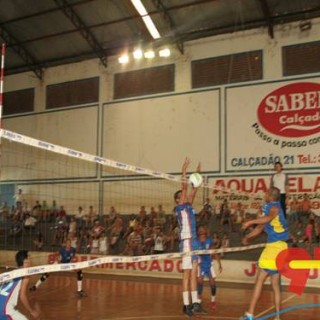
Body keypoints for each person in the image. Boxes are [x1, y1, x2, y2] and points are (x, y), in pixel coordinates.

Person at [240, 187, 288, 320]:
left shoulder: (273, 207)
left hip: (274, 248)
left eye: (266, 193)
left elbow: (267, 218)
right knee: (275, 283)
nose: (264, 194)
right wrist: (248, 236)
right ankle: (278, 317)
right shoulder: (271, 208)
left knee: (259, 280)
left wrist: (250, 221)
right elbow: (261, 227)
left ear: (270, 195)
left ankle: (249, 314)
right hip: (281, 247)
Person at [174, 157, 206, 317]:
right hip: (186, 242)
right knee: (186, 274)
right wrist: (184, 171)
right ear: (177, 200)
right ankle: (186, 305)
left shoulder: (189, 205)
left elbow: (194, 189)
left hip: (194, 242)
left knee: (194, 273)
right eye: (181, 195)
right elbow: (185, 186)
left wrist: (198, 174)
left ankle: (195, 304)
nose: (184, 195)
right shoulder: (179, 208)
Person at [0, 250, 40, 319]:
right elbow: (22, 296)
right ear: (26, 261)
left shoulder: (13, 272)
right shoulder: (25, 275)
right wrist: (31, 311)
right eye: (29, 258)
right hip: (5, 309)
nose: (30, 260)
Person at [197, 225, 222, 311]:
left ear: (205, 230)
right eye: (199, 229)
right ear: (197, 232)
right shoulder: (196, 241)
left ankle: (213, 301)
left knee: (212, 283)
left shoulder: (209, 240)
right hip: (200, 265)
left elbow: (214, 251)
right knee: (200, 281)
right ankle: (199, 301)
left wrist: (219, 264)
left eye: (202, 229)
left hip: (209, 264)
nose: (201, 230)